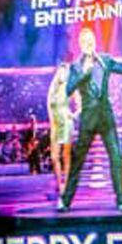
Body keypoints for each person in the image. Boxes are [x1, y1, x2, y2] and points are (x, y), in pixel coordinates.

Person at [58, 27, 122, 211]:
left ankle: (120, 201)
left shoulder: (105, 60)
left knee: (116, 158)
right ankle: (66, 201)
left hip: (106, 119)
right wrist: (83, 74)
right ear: (80, 44)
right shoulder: (76, 67)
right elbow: (68, 90)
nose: (88, 43)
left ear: (94, 42)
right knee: (78, 161)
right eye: (84, 40)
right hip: (87, 120)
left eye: (91, 40)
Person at [46, 62, 74, 196]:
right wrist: (51, 122)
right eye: (62, 71)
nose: (63, 74)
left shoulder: (70, 87)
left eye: (66, 71)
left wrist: (73, 115)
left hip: (67, 123)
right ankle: (59, 183)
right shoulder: (52, 89)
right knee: (54, 157)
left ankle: (66, 185)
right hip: (55, 124)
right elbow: (49, 107)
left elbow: (80, 104)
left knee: (66, 156)